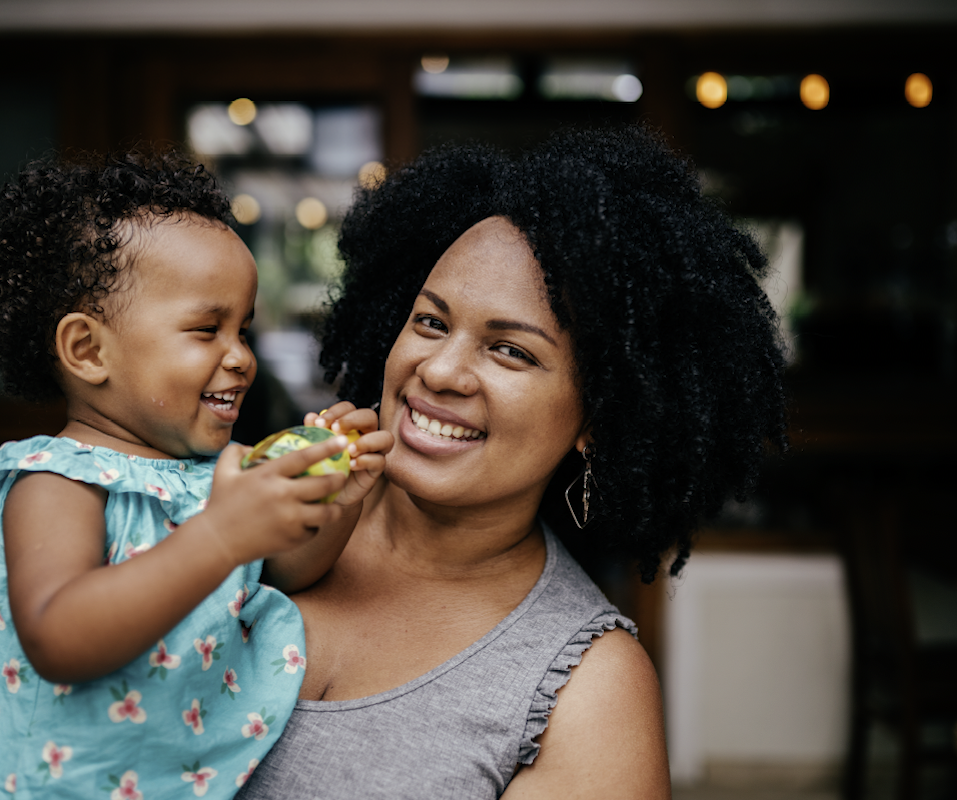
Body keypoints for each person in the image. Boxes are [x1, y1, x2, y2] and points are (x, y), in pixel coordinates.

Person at [236, 125, 789, 798]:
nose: (439, 371)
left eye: (511, 351)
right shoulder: (253, 511)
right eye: (431, 323)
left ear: (597, 419)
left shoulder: (589, 695)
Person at [0, 150, 392, 799]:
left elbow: (286, 571)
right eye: (207, 330)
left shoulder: (213, 477)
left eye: (244, 330)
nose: (241, 358)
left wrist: (336, 502)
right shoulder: (56, 482)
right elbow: (59, 636)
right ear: (89, 351)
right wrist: (219, 538)